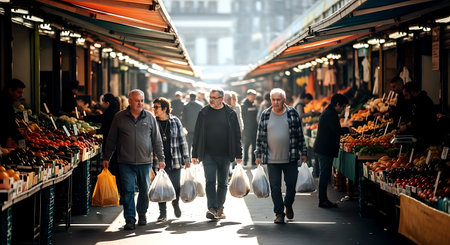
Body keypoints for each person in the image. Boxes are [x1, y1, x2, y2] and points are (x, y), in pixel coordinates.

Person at [102, 89, 165, 230]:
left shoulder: (149, 117)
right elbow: (111, 139)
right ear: (129, 101)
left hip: (145, 161)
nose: (140, 103)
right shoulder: (119, 117)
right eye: (137, 100)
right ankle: (130, 219)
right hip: (125, 161)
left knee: (144, 190)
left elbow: (157, 140)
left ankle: (142, 213)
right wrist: (107, 156)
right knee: (128, 191)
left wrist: (161, 158)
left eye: (142, 100)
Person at [255, 88, 308, 224]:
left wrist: (304, 152)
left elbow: (299, 134)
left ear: (284, 100)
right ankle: (279, 213)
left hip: (290, 157)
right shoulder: (266, 114)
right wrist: (258, 154)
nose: (276, 102)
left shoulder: (292, 113)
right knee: (275, 187)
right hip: (272, 159)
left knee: (291, 184)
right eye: (273, 99)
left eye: (278, 99)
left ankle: (288, 203)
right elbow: (260, 136)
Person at [192, 88, 243, 220]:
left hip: (226, 154)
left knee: (222, 183)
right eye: (210, 97)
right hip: (208, 154)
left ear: (221, 99)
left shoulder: (230, 113)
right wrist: (194, 153)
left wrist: (239, 154)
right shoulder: (203, 113)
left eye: (214, 97)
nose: (211, 100)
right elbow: (196, 134)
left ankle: (220, 207)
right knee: (210, 181)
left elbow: (237, 135)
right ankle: (212, 208)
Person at [153, 97, 190, 222]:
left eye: (157, 107)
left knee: (175, 185)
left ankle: (175, 203)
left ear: (164, 109)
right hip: (159, 160)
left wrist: (186, 158)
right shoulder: (154, 122)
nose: (154, 110)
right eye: (154, 107)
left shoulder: (175, 121)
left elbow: (182, 140)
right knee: (161, 186)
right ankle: (162, 213)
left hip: (175, 159)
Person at [313, 94, 350, 208]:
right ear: (337, 104)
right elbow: (336, 130)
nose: (343, 109)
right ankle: (322, 200)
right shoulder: (330, 114)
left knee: (324, 174)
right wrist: (347, 130)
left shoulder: (328, 112)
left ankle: (323, 199)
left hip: (323, 148)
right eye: (343, 107)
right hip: (325, 148)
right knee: (324, 175)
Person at [83, 94, 122, 194]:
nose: (102, 104)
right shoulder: (115, 111)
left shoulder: (110, 112)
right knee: (115, 168)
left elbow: (105, 124)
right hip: (116, 144)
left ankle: (112, 192)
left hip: (111, 143)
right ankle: (114, 191)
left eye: (103, 102)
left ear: (107, 103)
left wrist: (86, 119)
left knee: (112, 167)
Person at [0, 78, 25, 147]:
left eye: (22, 92)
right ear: (10, 90)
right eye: (19, 92)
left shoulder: (7, 102)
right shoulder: (5, 104)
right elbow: (11, 127)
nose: (21, 95)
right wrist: (24, 144)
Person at [241, 89, 258, 166]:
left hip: (254, 128)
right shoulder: (244, 105)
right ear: (248, 96)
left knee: (254, 145)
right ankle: (245, 160)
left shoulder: (254, 104)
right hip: (247, 128)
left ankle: (253, 161)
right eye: (252, 96)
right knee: (247, 144)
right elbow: (243, 117)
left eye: (254, 96)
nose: (253, 97)